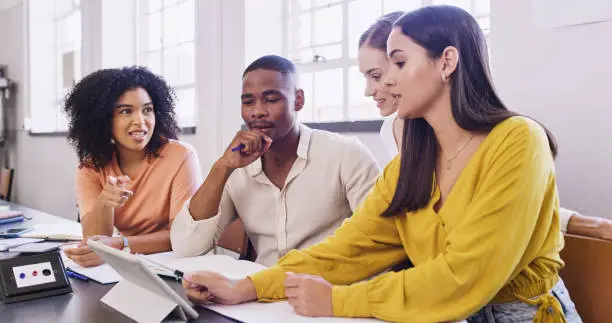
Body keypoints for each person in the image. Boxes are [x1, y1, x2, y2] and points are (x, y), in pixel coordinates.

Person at [179, 6, 583, 322]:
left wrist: (339, 300)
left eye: (399, 64)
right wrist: (247, 286)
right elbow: (349, 248)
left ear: (447, 62)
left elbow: (466, 276)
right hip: (431, 316)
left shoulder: (518, 140)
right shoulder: (413, 162)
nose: (385, 82)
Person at [359, 11, 612, 242]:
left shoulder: (509, 137)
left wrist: (580, 223)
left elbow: (496, 209)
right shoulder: (395, 132)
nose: (370, 90)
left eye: (378, 74)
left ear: (444, 63)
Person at [170, 55, 379, 266]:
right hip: (261, 292)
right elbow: (187, 247)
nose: (258, 112)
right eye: (248, 102)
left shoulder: (345, 154)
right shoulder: (236, 167)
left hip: (331, 288)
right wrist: (222, 167)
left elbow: (380, 237)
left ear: (298, 100)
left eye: (271, 100)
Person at [63, 66, 202, 267]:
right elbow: (95, 242)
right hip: (132, 264)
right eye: (126, 111)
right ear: (102, 119)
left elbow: (182, 237)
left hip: (177, 264)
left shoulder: (181, 156)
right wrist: (104, 203)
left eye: (147, 110)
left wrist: (121, 244)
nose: (140, 121)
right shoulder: (91, 168)